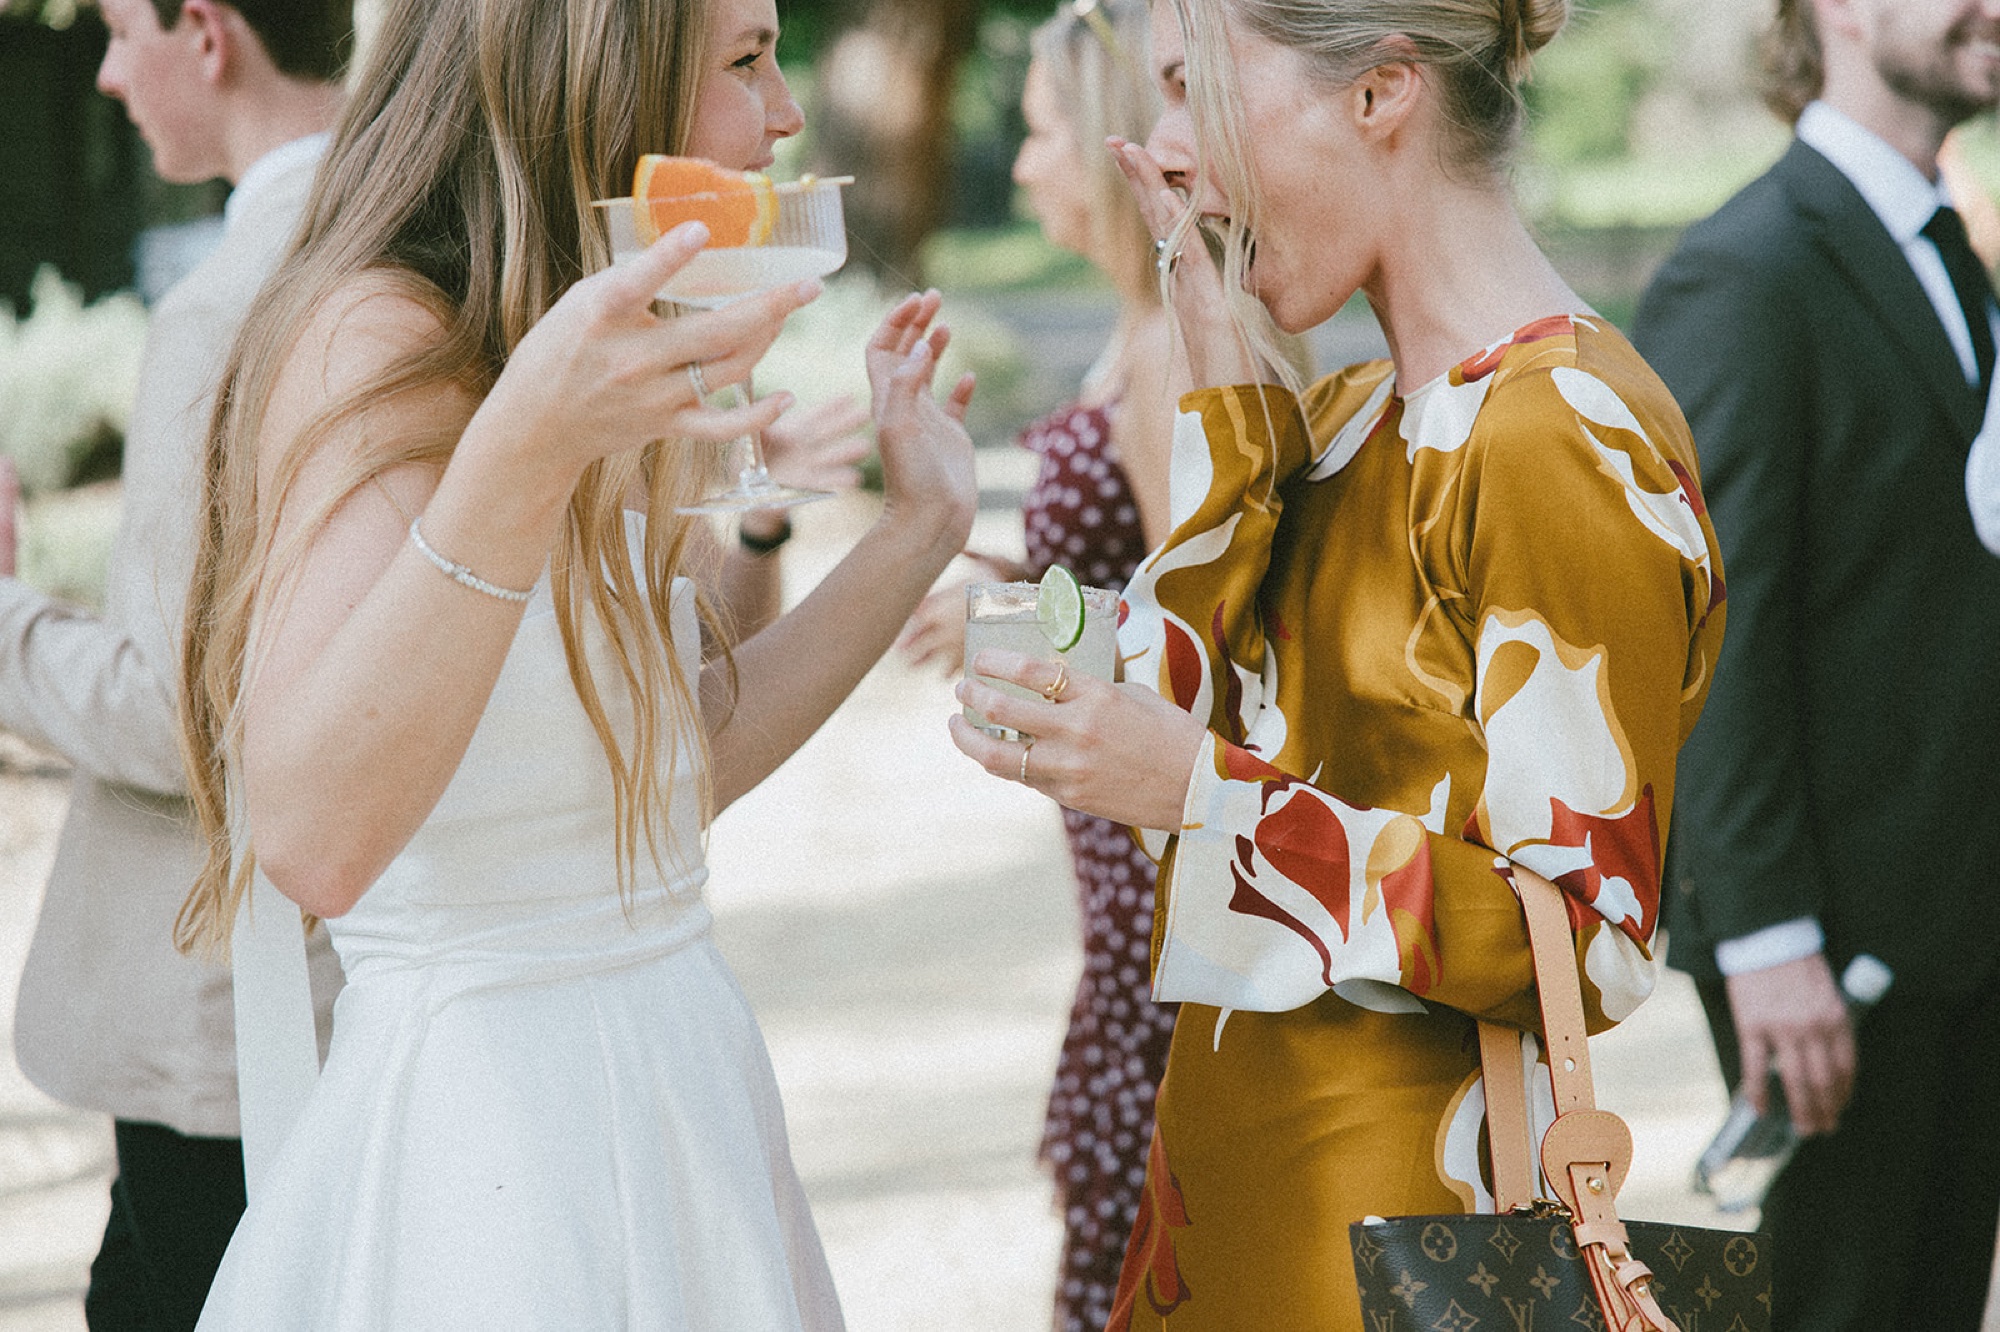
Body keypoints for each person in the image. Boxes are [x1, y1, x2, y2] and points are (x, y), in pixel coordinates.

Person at [172, 0, 978, 1322]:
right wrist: (527, 451)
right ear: (598, 77)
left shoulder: (599, 339)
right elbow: (313, 843)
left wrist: (919, 526)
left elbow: (658, 773)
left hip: (683, 1083)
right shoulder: (374, 338)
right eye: (744, 58)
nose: (785, 112)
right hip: (487, 1142)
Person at [949, 0, 1726, 1325]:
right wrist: (1233, 427)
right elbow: (1177, 774)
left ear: (1381, 92)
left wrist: (1209, 797)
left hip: (1410, 1249)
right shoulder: (1346, 420)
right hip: (1236, 1205)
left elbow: (1591, 949)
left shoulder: (1557, 435)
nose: (1166, 148)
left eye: (1194, 87)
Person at [1632, 0, 2000, 1326]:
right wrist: (1769, 943)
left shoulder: (1947, 254)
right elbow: (1711, 636)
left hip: (1960, 924)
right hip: (1832, 951)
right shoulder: (1747, 269)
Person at [0, 2, 352, 1325]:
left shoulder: (226, 307)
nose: (101, 71)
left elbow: (176, 715)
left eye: (115, 28)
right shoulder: (436, 244)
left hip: (237, 1004)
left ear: (205, 31)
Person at [898, 2, 1176, 1325]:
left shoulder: (1175, 351)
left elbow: (1202, 631)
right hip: (1107, 864)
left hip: (1151, 857)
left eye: (1042, 131)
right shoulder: (1138, 330)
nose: (1019, 167)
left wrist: (1011, 622)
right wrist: (999, 596)